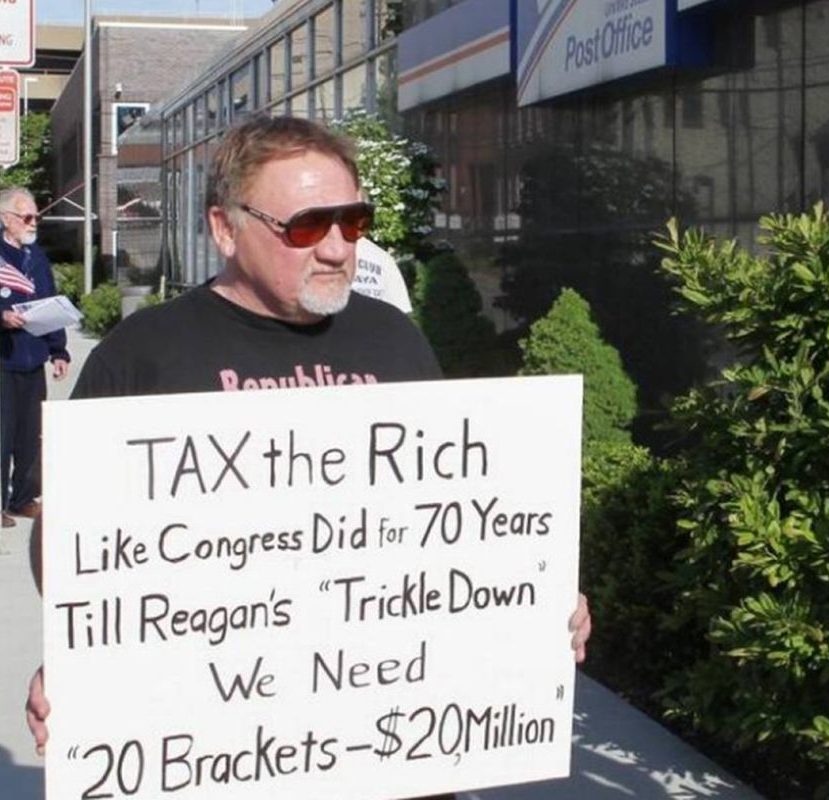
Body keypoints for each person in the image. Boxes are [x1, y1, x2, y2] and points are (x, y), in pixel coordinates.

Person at [24, 115, 592, 800]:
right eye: (306, 227)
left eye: (353, 222)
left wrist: (530, 599)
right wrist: (86, 657)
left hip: (391, 747)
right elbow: (72, 543)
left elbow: (448, 525)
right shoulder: (142, 356)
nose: (335, 248)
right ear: (226, 229)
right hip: (217, 753)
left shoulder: (395, 340)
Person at [0, 187, 70, 528]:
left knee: (31, 434)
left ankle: (24, 498)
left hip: (32, 358)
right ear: (6, 219)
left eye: (36, 216)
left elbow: (49, 302)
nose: (33, 222)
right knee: (3, 434)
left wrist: (58, 350)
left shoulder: (36, 257)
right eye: (26, 217)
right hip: (4, 359)